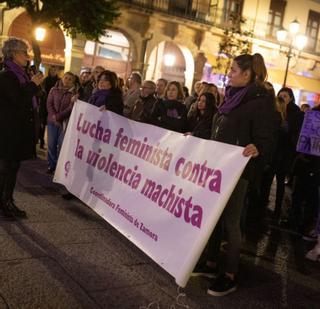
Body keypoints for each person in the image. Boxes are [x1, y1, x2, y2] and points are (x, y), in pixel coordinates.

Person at [197, 53, 273, 296]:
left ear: (247, 74)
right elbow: (219, 128)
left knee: (231, 222)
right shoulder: (232, 97)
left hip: (238, 171)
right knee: (214, 217)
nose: (229, 73)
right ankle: (210, 263)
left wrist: (258, 147)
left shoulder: (261, 100)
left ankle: (229, 274)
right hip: (218, 166)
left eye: (233, 70)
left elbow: (268, 136)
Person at [0, 37, 43, 218]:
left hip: (17, 130)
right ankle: (5, 203)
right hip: (8, 130)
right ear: (13, 54)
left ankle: (7, 201)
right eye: (24, 53)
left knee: (12, 167)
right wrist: (33, 84)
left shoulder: (21, 74)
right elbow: (17, 100)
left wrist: (34, 85)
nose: (27, 57)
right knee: (7, 168)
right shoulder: (7, 75)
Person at [46, 72, 76, 174]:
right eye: (66, 78)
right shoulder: (54, 90)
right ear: (62, 78)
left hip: (65, 123)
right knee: (51, 144)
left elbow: (71, 108)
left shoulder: (74, 94)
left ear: (73, 82)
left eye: (70, 79)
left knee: (61, 145)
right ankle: (52, 164)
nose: (67, 80)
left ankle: (59, 167)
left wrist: (59, 117)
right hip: (52, 121)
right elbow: (49, 104)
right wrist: (54, 117)